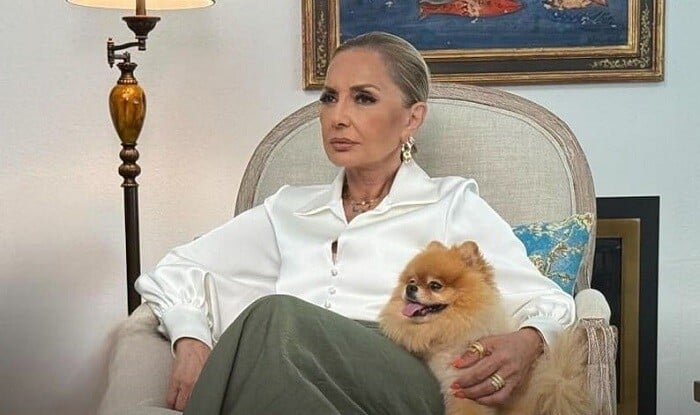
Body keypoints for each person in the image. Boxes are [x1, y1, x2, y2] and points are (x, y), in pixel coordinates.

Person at [135, 31, 575, 414]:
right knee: (269, 344)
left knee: (274, 317)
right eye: (329, 97)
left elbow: (547, 300)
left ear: (412, 119)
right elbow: (174, 271)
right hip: (290, 379)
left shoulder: (451, 203)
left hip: (404, 380)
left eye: (363, 98)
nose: (338, 116)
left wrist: (529, 340)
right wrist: (190, 339)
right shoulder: (289, 210)